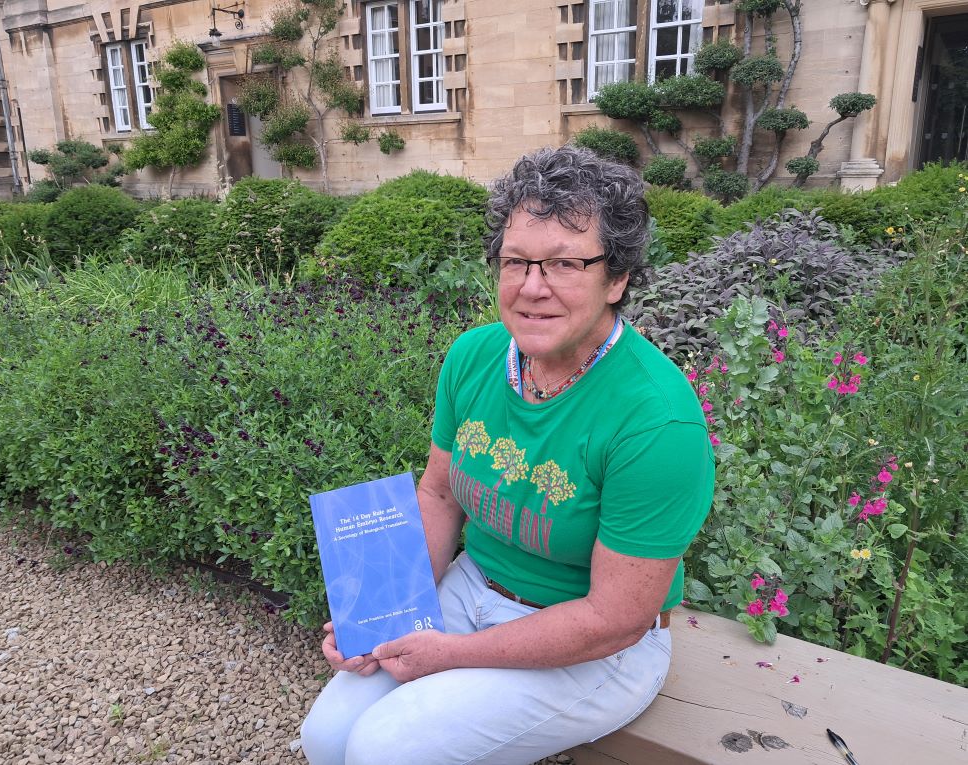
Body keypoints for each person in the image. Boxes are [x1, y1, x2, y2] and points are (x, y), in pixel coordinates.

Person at [300, 145, 714, 765]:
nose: (531, 287)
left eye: (565, 264)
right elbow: (439, 494)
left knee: (383, 750)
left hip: (596, 647)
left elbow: (615, 618)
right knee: (326, 738)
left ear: (617, 278)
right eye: (515, 261)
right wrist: (386, 609)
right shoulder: (474, 357)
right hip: (473, 589)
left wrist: (449, 654)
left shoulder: (656, 422)